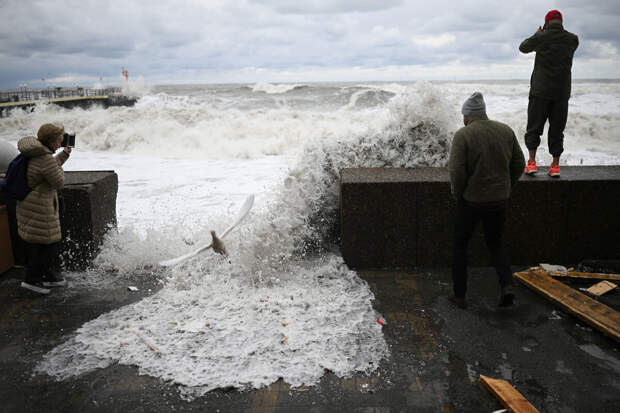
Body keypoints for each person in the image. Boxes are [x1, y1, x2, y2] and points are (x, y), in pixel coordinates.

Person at [448, 92, 525, 309]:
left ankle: (459, 294)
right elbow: (519, 163)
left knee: (460, 245)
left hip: (472, 201)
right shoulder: (505, 130)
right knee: (495, 243)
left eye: (464, 115)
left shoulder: (463, 135)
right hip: (499, 200)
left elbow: (456, 172)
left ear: (467, 115)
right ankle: (506, 285)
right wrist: (505, 186)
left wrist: (459, 194)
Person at [519, 9, 579, 177]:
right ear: (561, 22)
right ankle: (555, 166)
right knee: (557, 130)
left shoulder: (541, 37)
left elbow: (523, 47)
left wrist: (538, 33)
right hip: (561, 93)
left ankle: (531, 163)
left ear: (546, 22)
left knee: (534, 128)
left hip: (540, 91)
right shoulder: (572, 39)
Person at [17, 124, 72, 294]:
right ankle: (31, 280)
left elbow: (46, 167)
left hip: (30, 203)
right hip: (40, 206)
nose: (60, 144)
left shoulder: (36, 152)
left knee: (44, 243)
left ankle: (47, 275)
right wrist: (59, 167)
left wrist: (63, 156)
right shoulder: (45, 158)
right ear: (51, 140)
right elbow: (58, 181)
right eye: (58, 141)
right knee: (46, 244)